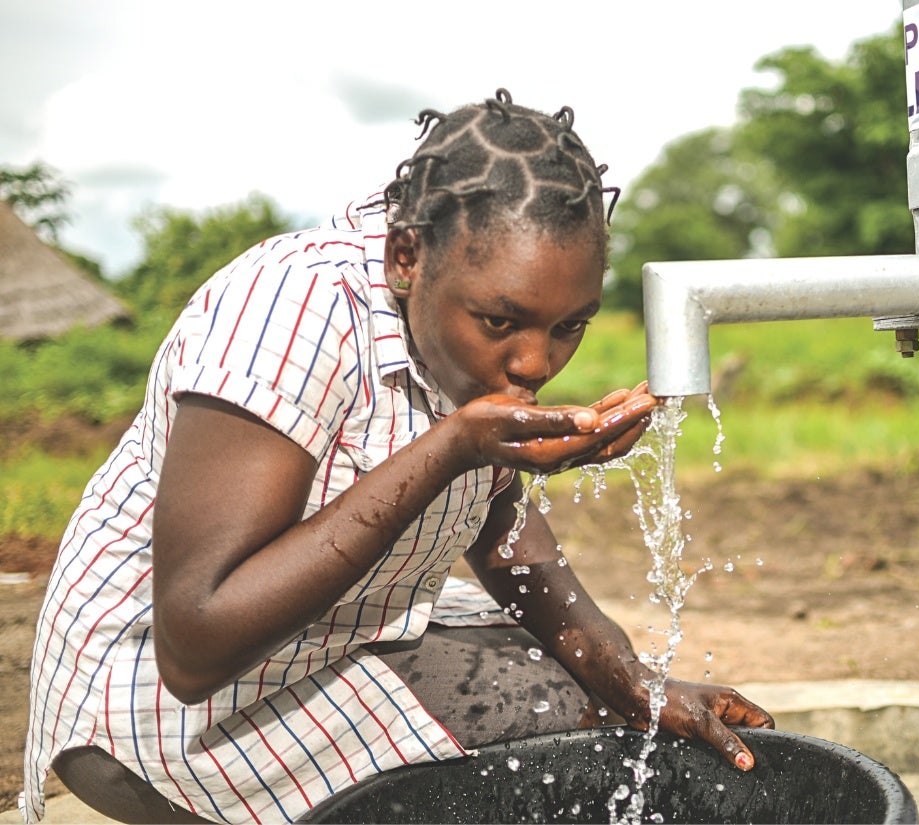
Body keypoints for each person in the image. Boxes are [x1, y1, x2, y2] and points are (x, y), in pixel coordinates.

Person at [22, 89, 773, 824]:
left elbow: (497, 518)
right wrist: (451, 447)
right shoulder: (289, 316)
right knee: (550, 729)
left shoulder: (452, 324)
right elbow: (195, 641)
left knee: (587, 699)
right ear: (406, 254)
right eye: (502, 320)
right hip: (150, 712)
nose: (535, 363)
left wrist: (631, 678)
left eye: (570, 325)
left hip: (321, 643)